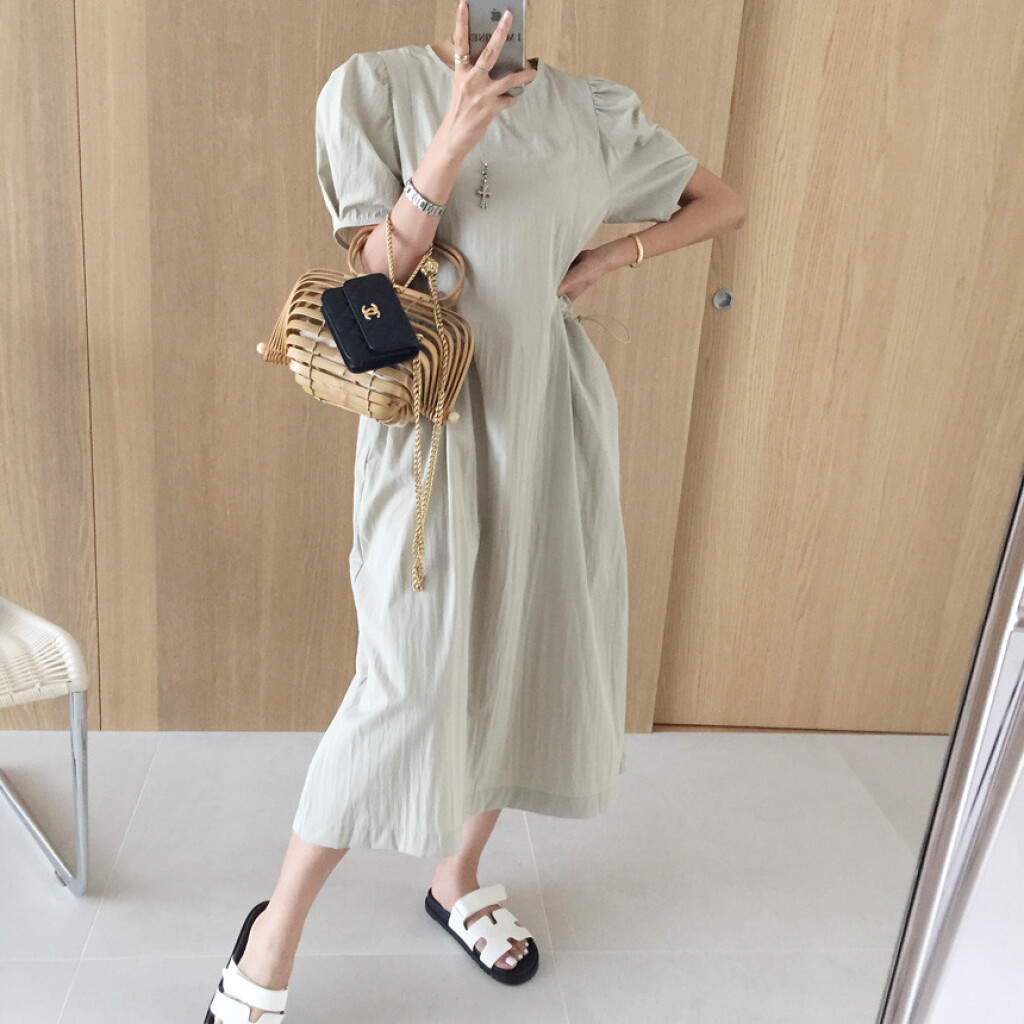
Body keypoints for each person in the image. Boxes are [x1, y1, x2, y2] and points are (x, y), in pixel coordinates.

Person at [206, 1, 744, 1020]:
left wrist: (608, 260)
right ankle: (273, 929)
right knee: (404, 680)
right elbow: (377, 277)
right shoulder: (374, 89)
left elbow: (720, 202)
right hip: (433, 429)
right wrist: (448, 142)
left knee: (521, 652)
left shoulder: (593, 112)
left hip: (550, 415)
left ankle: (455, 878)